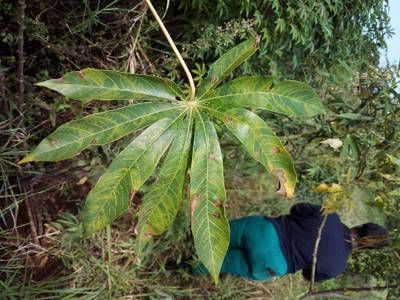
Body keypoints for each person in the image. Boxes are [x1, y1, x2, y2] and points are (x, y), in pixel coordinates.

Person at [190, 202, 391, 282]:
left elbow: (297, 209)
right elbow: (307, 276)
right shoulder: (337, 267)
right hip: (271, 265)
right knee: (218, 263)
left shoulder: (330, 216)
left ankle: (181, 236)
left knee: (213, 232)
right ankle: (179, 264)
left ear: (359, 226)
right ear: (366, 249)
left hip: (264, 231)